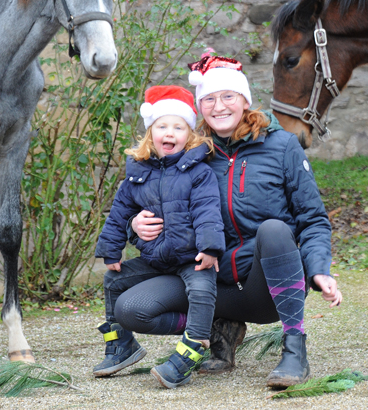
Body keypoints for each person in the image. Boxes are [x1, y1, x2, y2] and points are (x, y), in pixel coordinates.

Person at [114, 53, 342, 388]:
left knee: (275, 230)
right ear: (200, 106)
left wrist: (319, 267)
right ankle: (213, 330)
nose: (219, 106)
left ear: (245, 100)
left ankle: (295, 349)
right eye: (209, 99)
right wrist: (136, 227)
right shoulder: (190, 154)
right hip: (208, 282)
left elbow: (313, 219)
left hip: (265, 286)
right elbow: (151, 207)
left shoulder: (281, 146)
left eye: (228, 97)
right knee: (131, 309)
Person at [93, 85, 226, 389]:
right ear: (150, 133)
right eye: (162, 126)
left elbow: (208, 211)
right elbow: (118, 214)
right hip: (155, 259)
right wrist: (111, 250)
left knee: (203, 289)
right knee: (114, 281)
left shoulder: (198, 173)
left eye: (178, 127)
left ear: (189, 135)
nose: (170, 132)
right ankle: (121, 344)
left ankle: (190, 352)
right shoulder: (137, 175)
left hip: (191, 258)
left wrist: (210, 248)